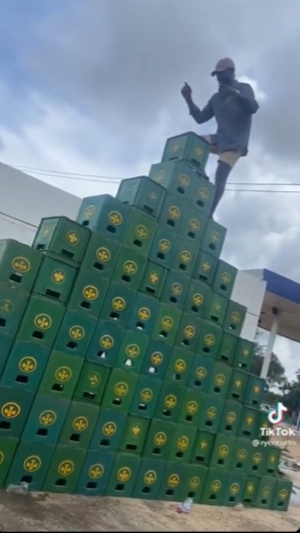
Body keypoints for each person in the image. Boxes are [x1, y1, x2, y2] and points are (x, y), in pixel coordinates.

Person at [181, 58, 259, 217]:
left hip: (235, 143)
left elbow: (253, 107)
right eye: (216, 75)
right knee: (193, 143)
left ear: (231, 73)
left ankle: (208, 215)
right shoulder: (216, 98)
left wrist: (235, 95)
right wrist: (188, 99)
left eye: (221, 74)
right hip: (220, 138)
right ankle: (201, 176)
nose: (218, 78)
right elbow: (200, 118)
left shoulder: (243, 88)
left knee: (220, 177)